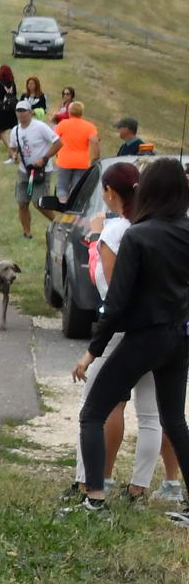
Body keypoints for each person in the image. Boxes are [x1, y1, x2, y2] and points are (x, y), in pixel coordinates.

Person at [72, 158, 189, 523]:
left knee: (93, 413)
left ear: (147, 190)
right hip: (179, 337)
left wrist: (92, 351)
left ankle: (95, 497)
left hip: (143, 338)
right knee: (174, 420)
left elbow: (117, 303)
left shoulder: (138, 236)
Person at [7, 104, 61, 239]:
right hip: (24, 171)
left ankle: (59, 224)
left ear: (30, 112)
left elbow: (58, 143)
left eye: (23, 111)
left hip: (41, 171)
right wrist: (14, 155)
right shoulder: (15, 130)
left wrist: (44, 158)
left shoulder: (40, 127)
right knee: (22, 203)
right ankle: (27, 233)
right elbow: (13, 147)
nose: (21, 114)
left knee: (39, 203)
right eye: (18, 111)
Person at [53, 100, 100, 203]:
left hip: (64, 161)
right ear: (81, 112)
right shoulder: (89, 126)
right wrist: (96, 158)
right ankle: (73, 208)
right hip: (81, 162)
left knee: (62, 188)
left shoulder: (63, 124)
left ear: (69, 112)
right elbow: (95, 142)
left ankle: (63, 205)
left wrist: (55, 153)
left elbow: (54, 139)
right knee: (76, 189)